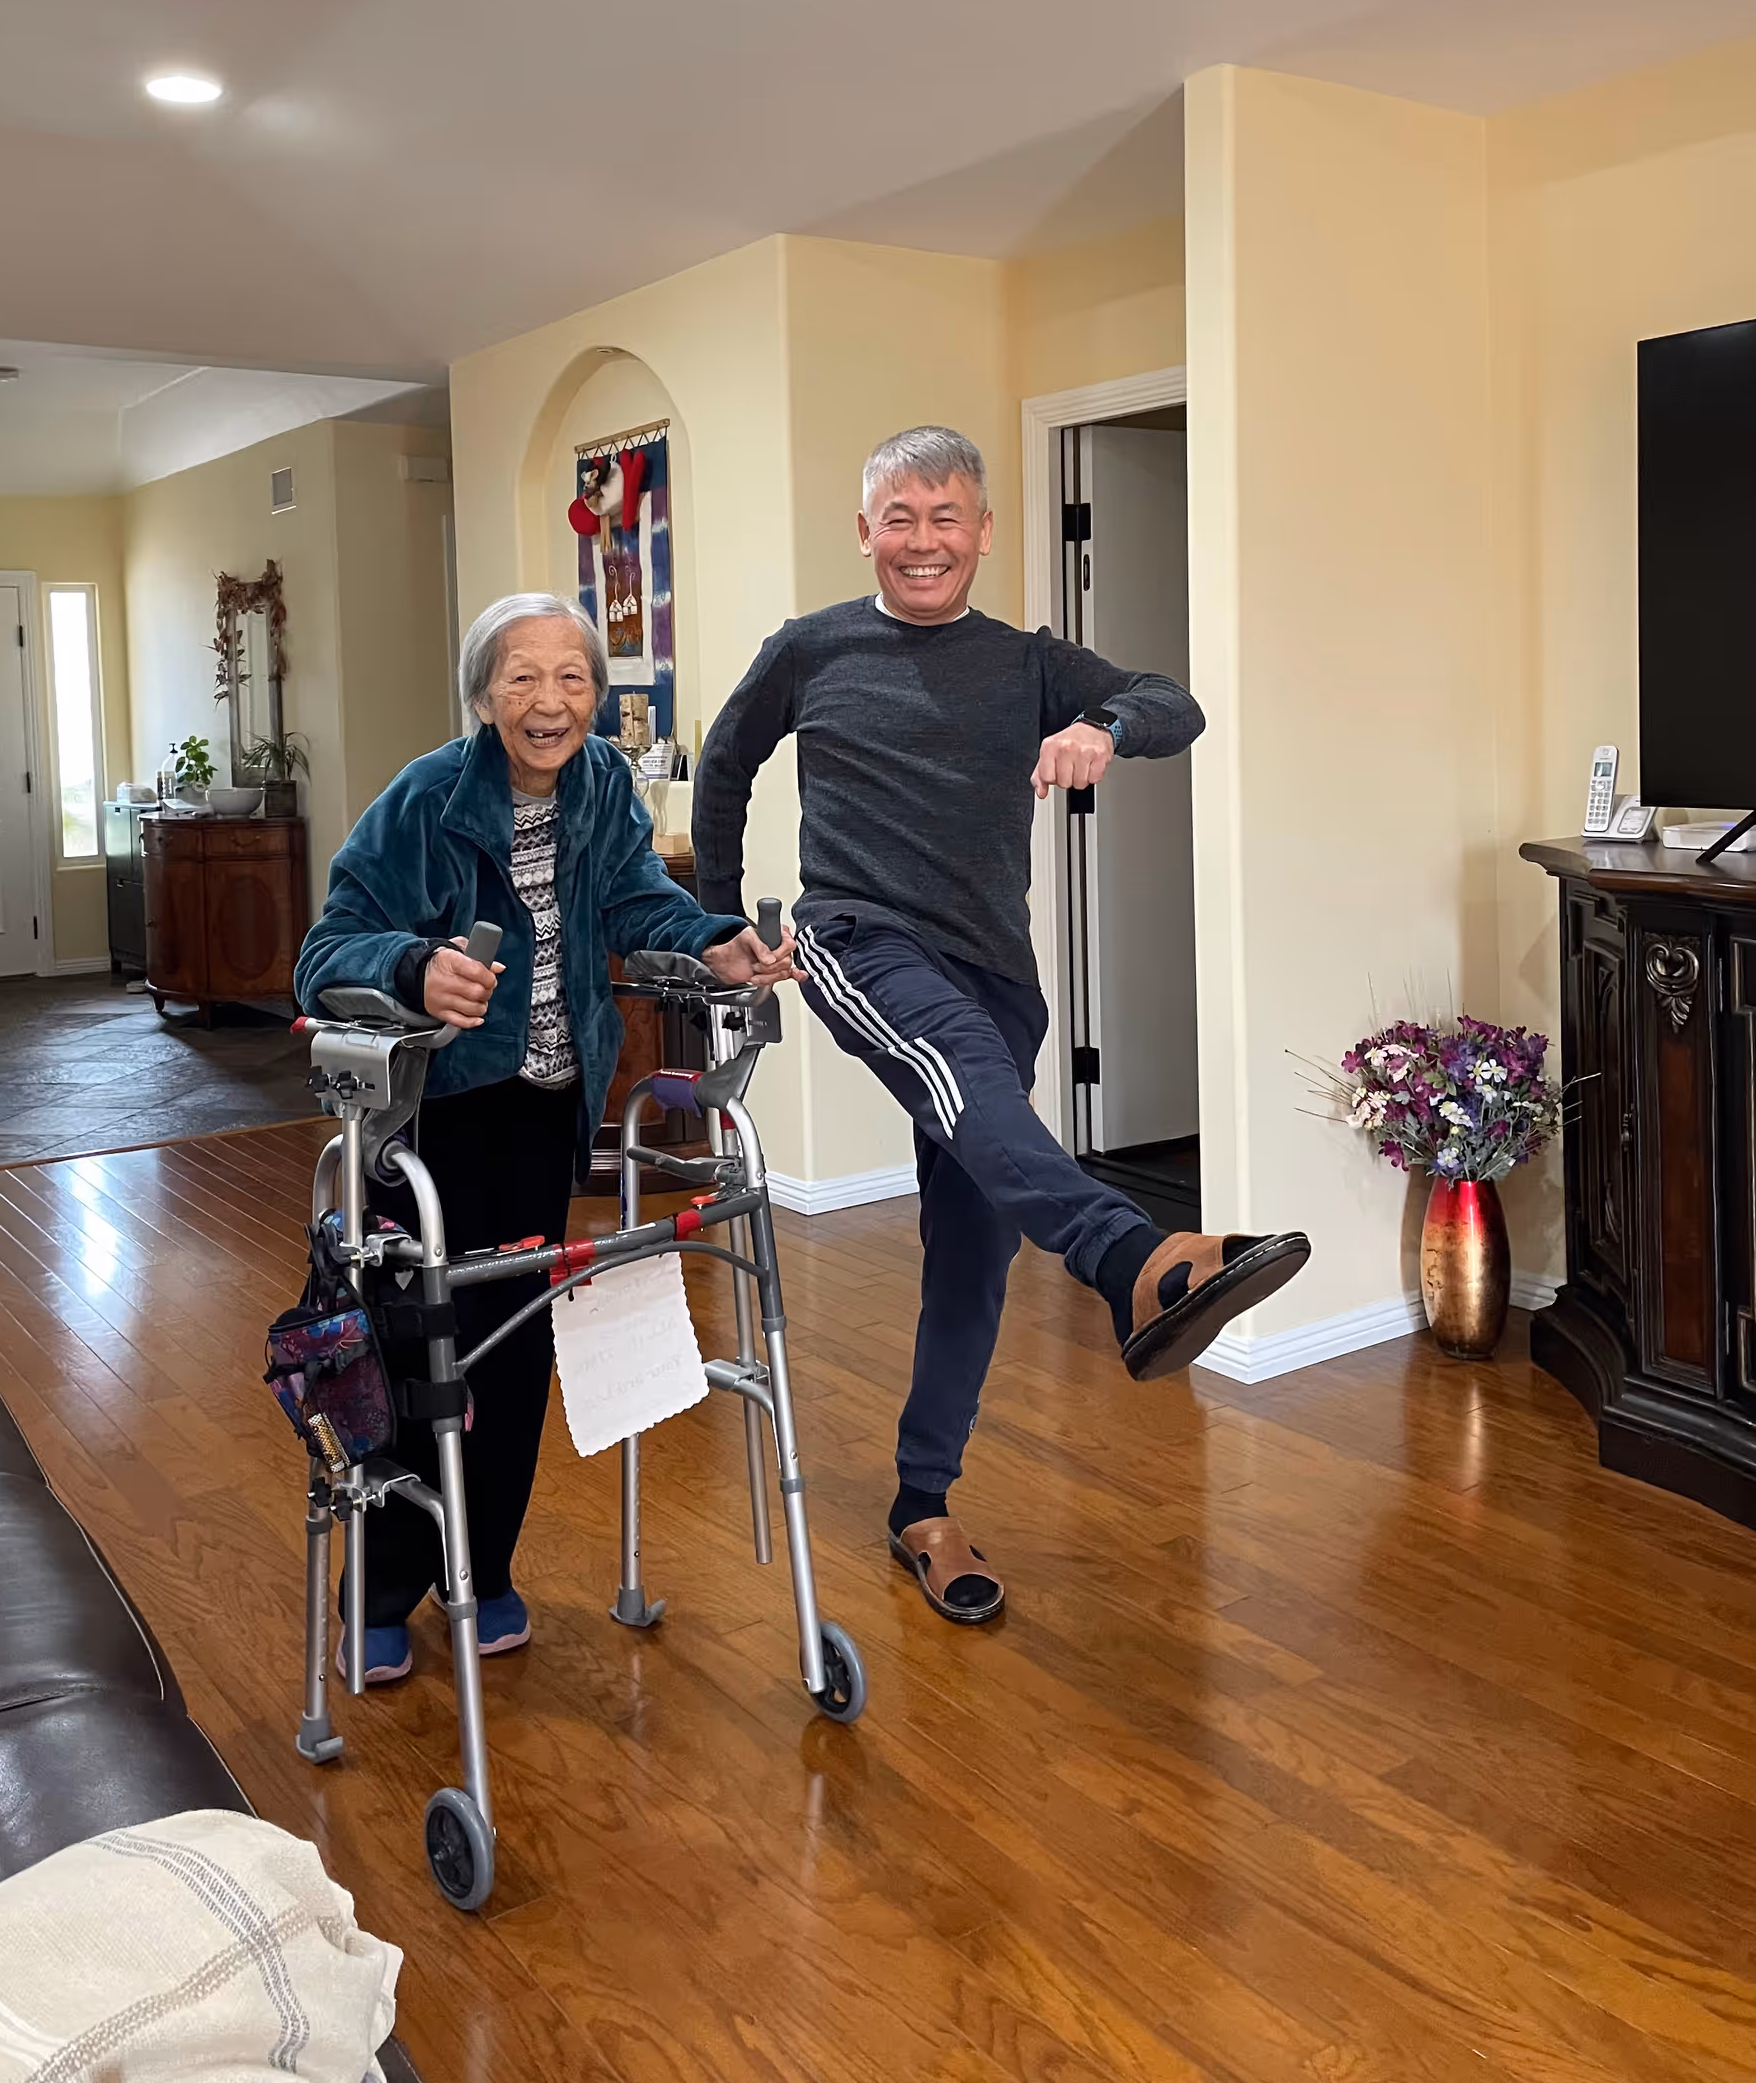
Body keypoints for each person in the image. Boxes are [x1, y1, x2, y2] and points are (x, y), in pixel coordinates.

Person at [691, 425, 1309, 1628]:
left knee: (971, 1245)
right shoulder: (810, 649)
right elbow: (724, 765)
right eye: (900, 518)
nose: (924, 541)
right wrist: (717, 919)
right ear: (864, 529)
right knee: (975, 1087)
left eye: (947, 517)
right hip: (859, 937)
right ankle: (1138, 1259)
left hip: (998, 973)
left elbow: (1171, 701)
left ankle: (924, 1503)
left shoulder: (1027, 658)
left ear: (982, 529)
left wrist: (1106, 728)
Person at [296, 591, 786, 1682]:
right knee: (419, 1356)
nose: (550, 701)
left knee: (510, 1357)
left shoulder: (604, 785)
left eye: (572, 679)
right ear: (482, 694)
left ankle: (486, 1566)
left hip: (541, 1111)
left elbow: (635, 903)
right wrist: (412, 966)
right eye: (523, 677)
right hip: (433, 1114)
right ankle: (377, 1587)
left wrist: (713, 943)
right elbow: (324, 949)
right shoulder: (424, 800)